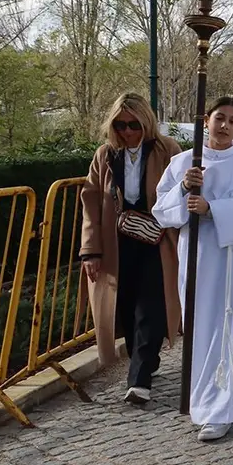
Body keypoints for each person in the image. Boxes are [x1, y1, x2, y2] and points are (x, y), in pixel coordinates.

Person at [152, 97, 233, 442]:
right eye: (220, 118)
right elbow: (162, 210)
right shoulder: (183, 162)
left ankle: (222, 407)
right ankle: (203, 401)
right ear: (207, 120)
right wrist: (182, 188)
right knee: (199, 324)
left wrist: (213, 208)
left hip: (232, 253)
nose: (225, 126)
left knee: (226, 324)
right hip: (196, 252)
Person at [79, 93, 182, 406]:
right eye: (120, 125)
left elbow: (181, 191)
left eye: (134, 124)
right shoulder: (106, 155)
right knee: (123, 305)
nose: (127, 131)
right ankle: (146, 360)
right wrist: (91, 250)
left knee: (149, 305)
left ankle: (139, 380)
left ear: (146, 122)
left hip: (158, 240)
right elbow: (92, 201)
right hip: (117, 242)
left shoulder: (168, 150)